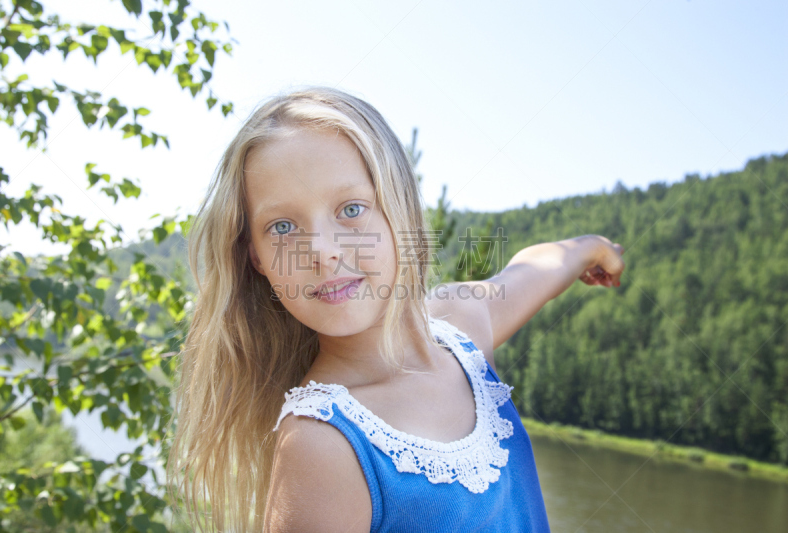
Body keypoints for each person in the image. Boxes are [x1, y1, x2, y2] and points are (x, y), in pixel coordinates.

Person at [166, 85, 626, 533]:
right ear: (257, 258)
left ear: (399, 210)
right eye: (283, 226)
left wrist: (593, 248)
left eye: (350, 209)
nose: (323, 251)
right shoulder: (321, 444)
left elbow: (531, 270)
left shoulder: (459, 326)